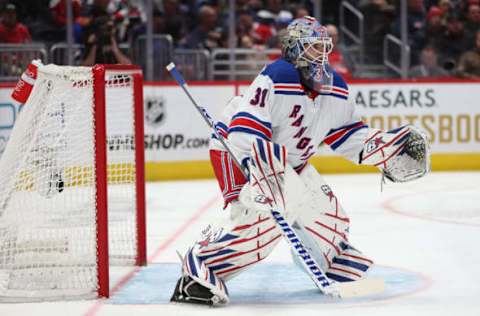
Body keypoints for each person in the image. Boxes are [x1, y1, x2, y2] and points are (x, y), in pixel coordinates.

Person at [170, 16, 429, 306]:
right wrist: (259, 170)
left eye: (323, 46)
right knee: (262, 226)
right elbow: (246, 127)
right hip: (238, 149)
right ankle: (197, 272)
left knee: (329, 218)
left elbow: (349, 134)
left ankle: (330, 264)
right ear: (293, 49)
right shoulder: (277, 76)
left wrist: (385, 148)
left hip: (287, 160)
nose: (321, 53)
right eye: (312, 47)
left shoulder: (335, 87)